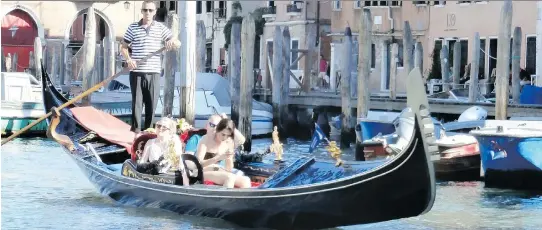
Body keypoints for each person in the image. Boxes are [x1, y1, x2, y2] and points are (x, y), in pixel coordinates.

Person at [120, 0, 181, 133]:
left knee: (151, 104)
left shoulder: (160, 28)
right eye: (145, 10)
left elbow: (177, 43)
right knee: (136, 104)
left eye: (150, 10)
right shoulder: (133, 27)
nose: (147, 13)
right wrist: (129, 60)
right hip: (137, 71)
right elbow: (123, 47)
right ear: (141, 11)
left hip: (153, 72)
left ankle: (148, 132)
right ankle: (136, 133)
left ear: (154, 12)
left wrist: (172, 42)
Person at [194, 118, 252, 188]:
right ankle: (225, 198)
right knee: (229, 178)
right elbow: (198, 164)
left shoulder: (229, 142)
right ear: (217, 130)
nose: (225, 138)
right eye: (223, 134)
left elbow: (228, 169)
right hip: (201, 171)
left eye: (228, 135)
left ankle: (243, 198)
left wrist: (229, 158)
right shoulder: (206, 139)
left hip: (218, 170)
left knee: (245, 180)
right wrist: (217, 158)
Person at [138, 117, 190, 186]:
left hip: (171, 176)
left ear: (170, 130)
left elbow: (180, 161)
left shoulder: (174, 141)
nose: (160, 129)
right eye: (158, 126)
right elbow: (143, 161)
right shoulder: (150, 143)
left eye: (164, 127)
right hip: (154, 177)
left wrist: (185, 183)